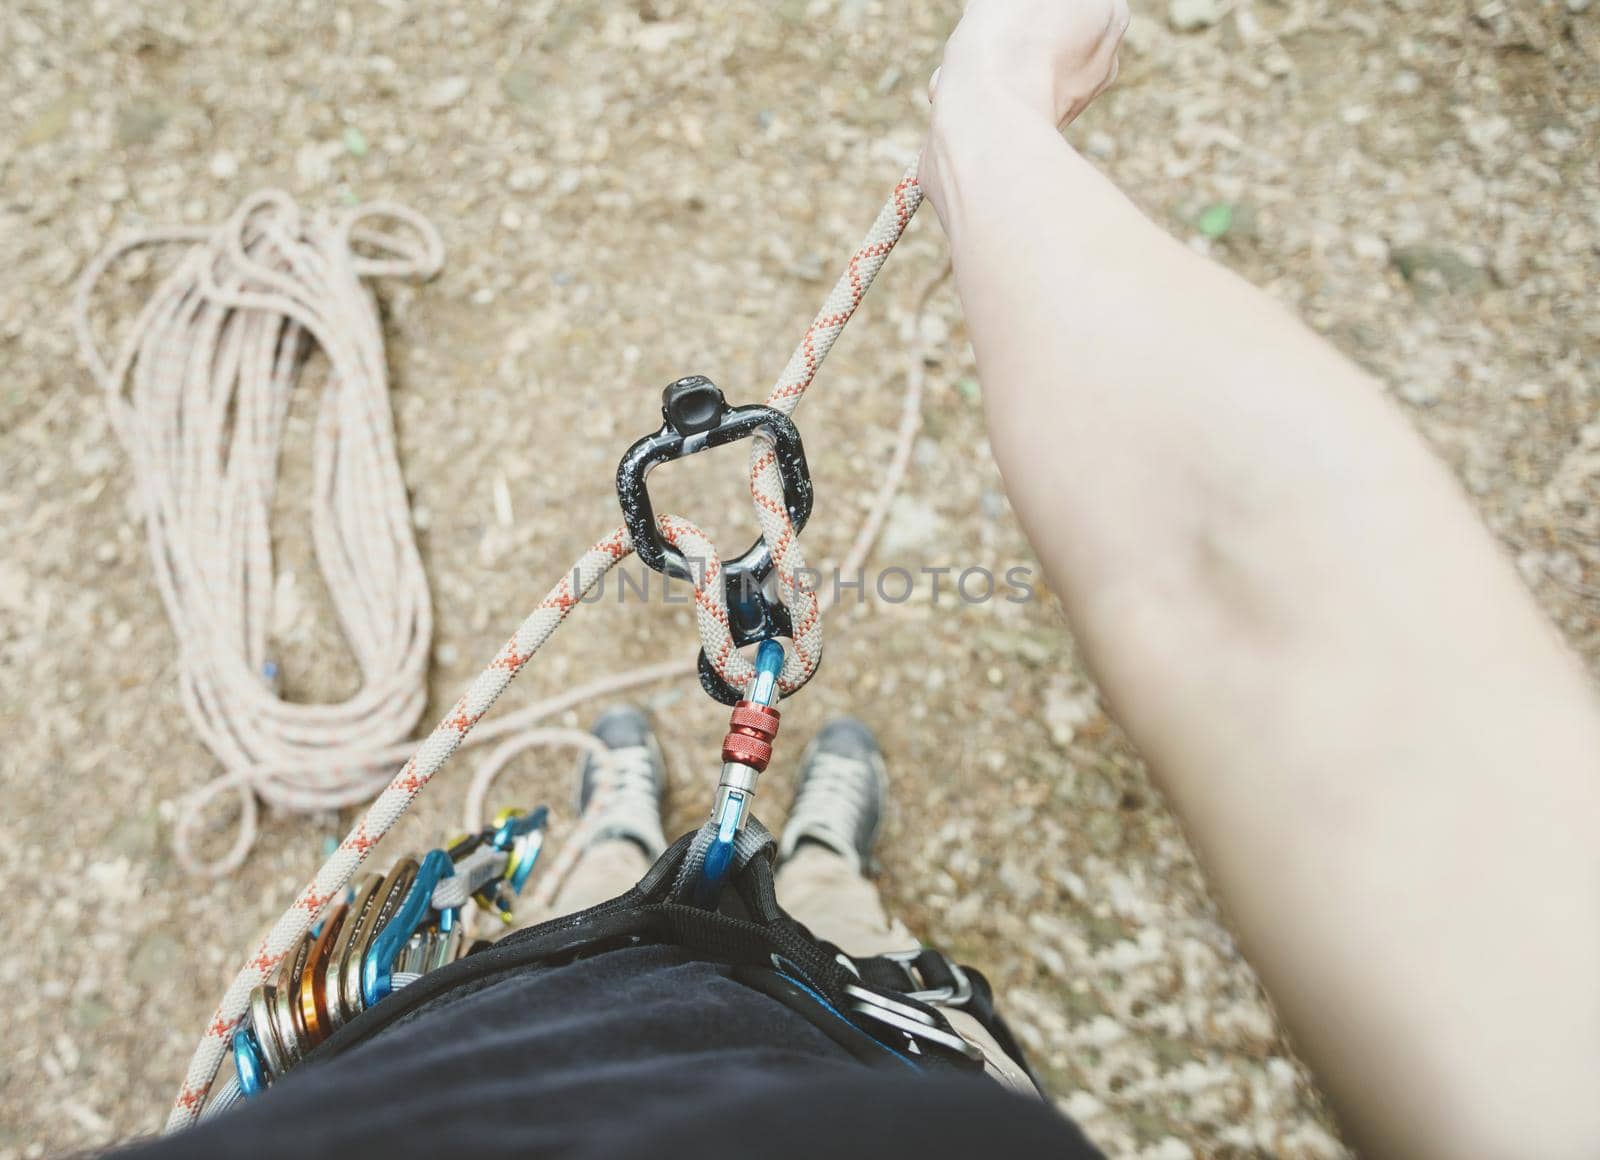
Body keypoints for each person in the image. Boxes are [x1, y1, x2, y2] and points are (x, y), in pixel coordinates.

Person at [120, 0, 1600, 1157]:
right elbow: (1247, 575)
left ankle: (618, 856)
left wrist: (990, 113)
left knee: (579, 913)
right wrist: (994, 113)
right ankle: (814, 877)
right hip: (870, 1058)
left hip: (465, 1034)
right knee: (845, 941)